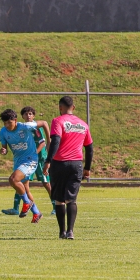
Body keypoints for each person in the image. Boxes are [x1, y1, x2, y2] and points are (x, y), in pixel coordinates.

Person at [44, 96, 92, 239]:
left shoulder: (58, 121)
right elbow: (89, 148)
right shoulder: (83, 124)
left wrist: (48, 160)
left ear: (60, 107)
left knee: (59, 199)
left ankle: (62, 232)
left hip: (59, 164)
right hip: (76, 164)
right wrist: (87, 168)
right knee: (71, 199)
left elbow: (55, 141)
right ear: (73, 107)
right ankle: (71, 231)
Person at [0, 109, 43, 223]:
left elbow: (44, 123)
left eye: (9, 122)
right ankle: (36, 213)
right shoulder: (3, 132)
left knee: (13, 179)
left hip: (30, 160)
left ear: (15, 120)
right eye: (5, 123)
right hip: (18, 161)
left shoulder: (25, 126)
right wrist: (3, 150)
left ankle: (27, 203)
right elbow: (4, 148)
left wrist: (49, 142)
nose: (7, 125)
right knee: (25, 189)